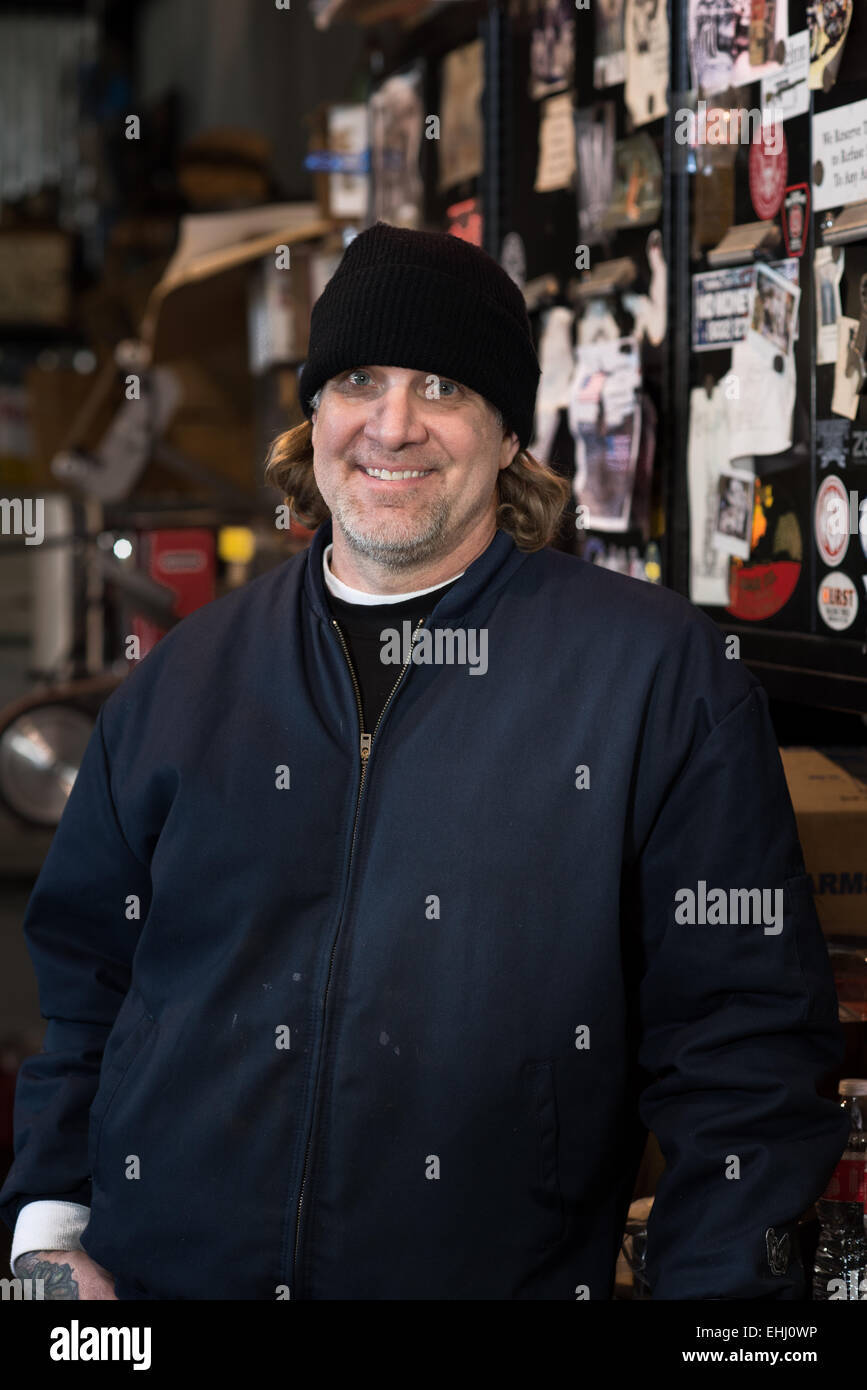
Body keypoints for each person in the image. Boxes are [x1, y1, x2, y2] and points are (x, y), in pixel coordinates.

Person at [1, 222, 849, 1300]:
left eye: (442, 386)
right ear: (316, 413)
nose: (392, 426)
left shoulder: (651, 679)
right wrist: (48, 1232)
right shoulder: (185, 680)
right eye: (359, 378)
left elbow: (748, 1048)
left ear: (508, 438)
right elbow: (86, 986)